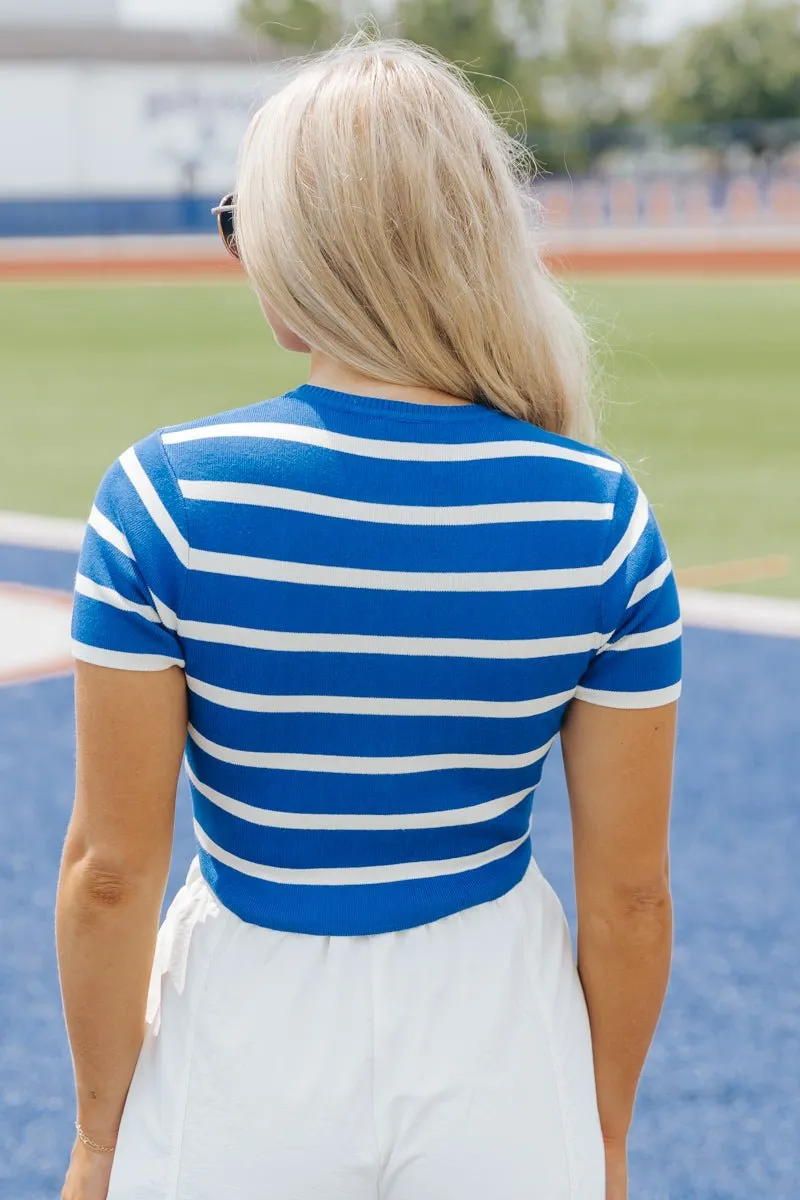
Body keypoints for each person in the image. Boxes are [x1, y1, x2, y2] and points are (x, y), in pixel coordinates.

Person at [58, 36, 680, 1200]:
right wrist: (596, 1136)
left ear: (294, 251)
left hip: (242, 1026)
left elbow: (109, 873)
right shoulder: (601, 516)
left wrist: (99, 1140)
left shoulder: (164, 498)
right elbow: (629, 897)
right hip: (499, 1026)